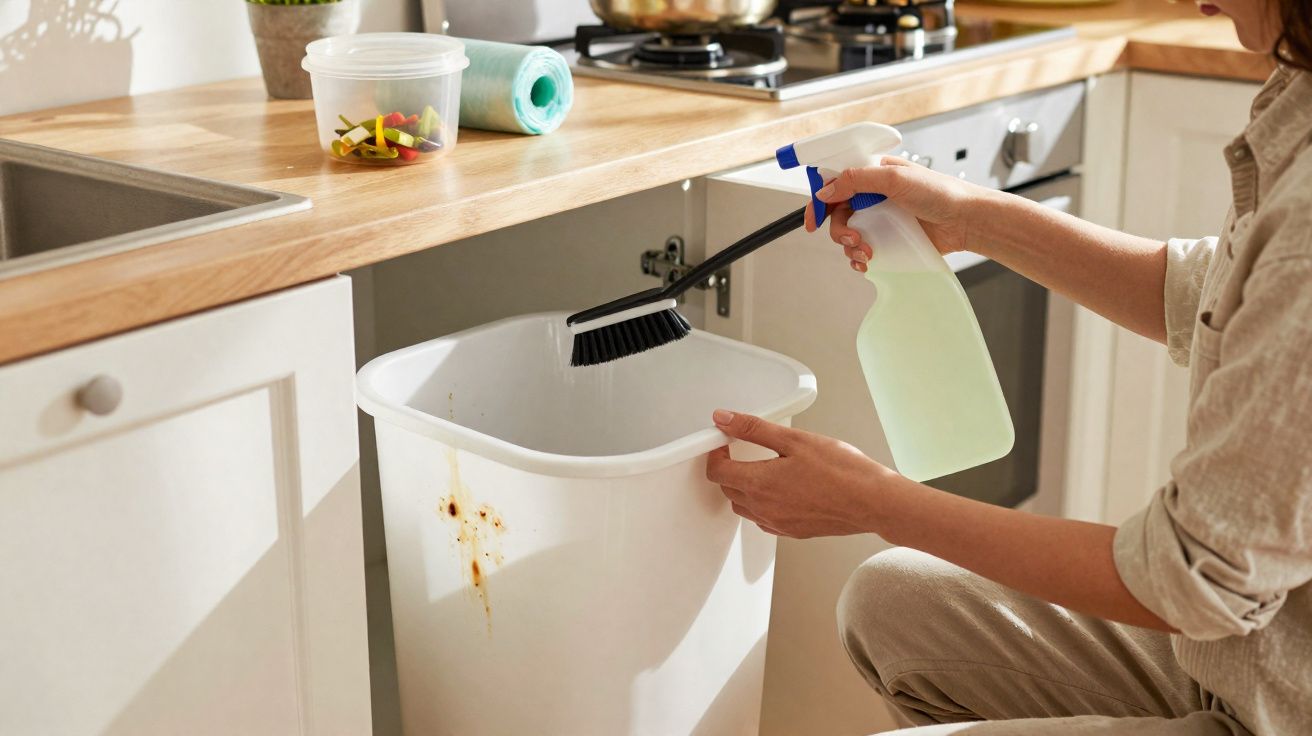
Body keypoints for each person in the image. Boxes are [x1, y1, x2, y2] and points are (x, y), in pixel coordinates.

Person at [704, 1, 1312, 733]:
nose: (1192, 2)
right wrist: (973, 216)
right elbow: (1209, 291)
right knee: (890, 600)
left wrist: (875, 503)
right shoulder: (1298, 88)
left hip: (1279, 702)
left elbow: (1192, 578)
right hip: (1253, 652)